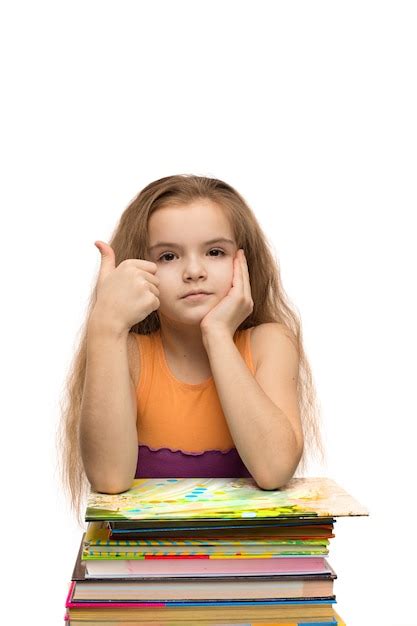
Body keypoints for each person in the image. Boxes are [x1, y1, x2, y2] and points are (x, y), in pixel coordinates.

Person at [57, 174, 323, 525]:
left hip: (246, 568)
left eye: (215, 252)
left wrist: (217, 334)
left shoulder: (270, 342)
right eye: (168, 256)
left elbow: (273, 470)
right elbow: (109, 478)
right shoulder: (130, 352)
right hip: (145, 570)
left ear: (244, 262)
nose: (194, 271)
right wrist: (106, 326)